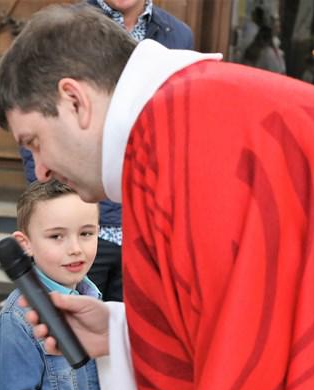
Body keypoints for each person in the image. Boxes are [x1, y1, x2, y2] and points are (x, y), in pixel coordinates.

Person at [0, 3, 314, 390]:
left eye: (35, 141)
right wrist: (121, 333)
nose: (39, 168)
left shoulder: (184, 139)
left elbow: (244, 365)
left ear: (74, 100)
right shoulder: (171, 121)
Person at [18, 0, 193, 302]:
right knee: (61, 336)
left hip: (147, 228)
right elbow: (35, 119)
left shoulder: (177, 35)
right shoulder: (60, 29)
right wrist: (53, 204)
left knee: (132, 335)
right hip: (80, 224)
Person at [0, 179, 105, 390]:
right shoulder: (17, 322)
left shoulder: (96, 304)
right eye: (56, 236)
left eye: (86, 233)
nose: (75, 248)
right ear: (25, 244)